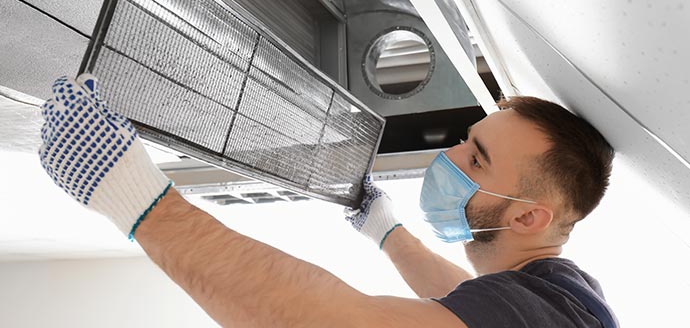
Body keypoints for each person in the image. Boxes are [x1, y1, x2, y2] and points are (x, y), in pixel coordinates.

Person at [39, 74, 617, 327]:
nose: (451, 158)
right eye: (467, 141)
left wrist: (141, 203)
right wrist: (386, 232)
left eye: (476, 159)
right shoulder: (558, 296)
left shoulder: (554, 312)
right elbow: (460, 300)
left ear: (526, 216)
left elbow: (328, 321)